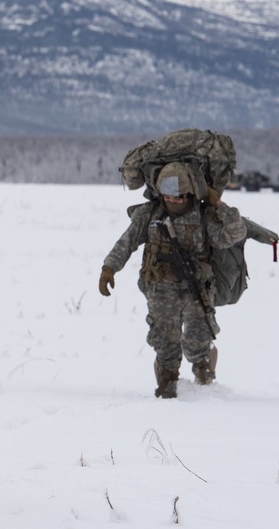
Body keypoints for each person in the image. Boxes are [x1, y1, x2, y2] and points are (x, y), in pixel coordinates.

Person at [98, 161, 247, 398]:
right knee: (164, 340)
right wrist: (109, 267)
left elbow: (235, 233)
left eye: (179, 197)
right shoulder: (150, 213)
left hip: (196, 289)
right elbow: (127, 242)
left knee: (198, 340)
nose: (173, 201)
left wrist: (217, 202)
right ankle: (167, 388)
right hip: (160, 289)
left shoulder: (204, 216)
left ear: (190, 193)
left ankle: (205, 382)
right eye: (168, 196)